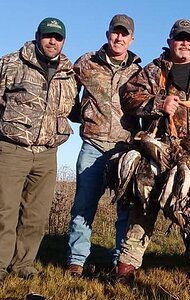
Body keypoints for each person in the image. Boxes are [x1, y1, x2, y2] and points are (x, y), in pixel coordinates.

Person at [115, 18, 190, 282]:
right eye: (179, 38)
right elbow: (128, 97)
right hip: (160, 149)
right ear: (170, 42)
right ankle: (127, 266)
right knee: (144, 205)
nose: (184, 43)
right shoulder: (154, 70)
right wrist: (158, 103)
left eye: (189, 39)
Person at [0, 17, 77, 281]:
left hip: (47, 152)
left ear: (63, 41)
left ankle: (23, 265)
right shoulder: (11, 63)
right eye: (47, 36)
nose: (52, 41)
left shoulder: (69, 72)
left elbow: (72, 110)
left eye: (57, 37)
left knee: (36, 214)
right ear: (37, 36)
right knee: (4, 210)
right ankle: (0, 264)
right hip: (12, 149)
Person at [67, 14, 141, 276]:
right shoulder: (87, 62)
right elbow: (66, 91)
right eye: (115, 32)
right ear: (108, 33)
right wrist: (80, 115)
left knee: (125, 209)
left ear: (132, 38)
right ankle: (76, 261)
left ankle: (119, 262)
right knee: (84, 205)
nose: (119, 38)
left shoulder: (138, 71)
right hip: (93, 145)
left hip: (124, 150)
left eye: (124, 34)